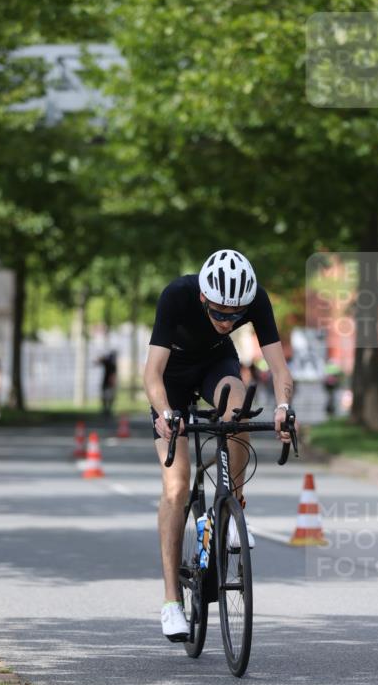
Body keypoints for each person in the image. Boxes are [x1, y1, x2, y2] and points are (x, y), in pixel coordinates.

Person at [143, 250, 296, 642]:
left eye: (235, 316)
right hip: (172, 380)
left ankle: (233, 507)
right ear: (203, 298)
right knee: (176, 488)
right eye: (219, 314)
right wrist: (165, 414)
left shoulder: (255, 299)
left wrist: (283, 407)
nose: (227, 321)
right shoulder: (176, 295)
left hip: (215, 366)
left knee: (238, 404)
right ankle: (171, 603)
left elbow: (279, 368)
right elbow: (152, 374)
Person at [97, 350, 118, 417]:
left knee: (108, 398)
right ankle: (106, 410)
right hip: (107, 383)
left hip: (108, 384)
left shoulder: (110, 364)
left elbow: (99, 360)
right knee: (106, 398)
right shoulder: (110, 363)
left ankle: (107, 410)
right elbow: (99, 360)